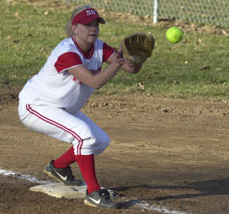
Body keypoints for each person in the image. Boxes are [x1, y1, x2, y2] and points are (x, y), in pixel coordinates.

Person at [18, 5, 142, 209]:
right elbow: (94, 82)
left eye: (96, 24)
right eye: (87, 25)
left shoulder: (100, 47)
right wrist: (116, 64)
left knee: (100, 141)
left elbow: (130, 68)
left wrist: (138, 60)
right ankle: (93, 192)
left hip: (63, 108)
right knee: (84, 135)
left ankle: (59, 167)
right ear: (74, 28)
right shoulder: (66, 52)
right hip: (37, 106)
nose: (93, 28)